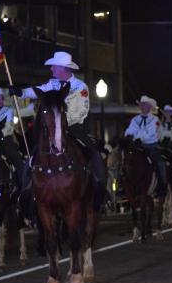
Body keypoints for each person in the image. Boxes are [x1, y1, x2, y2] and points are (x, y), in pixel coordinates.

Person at [9, 51, 106, 188]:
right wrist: (21, 92)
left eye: (53, 66)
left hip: (73, 128)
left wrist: (63, 121)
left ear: (62, 68)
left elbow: (82, 111)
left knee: (94, 152)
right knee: (34, 153)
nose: (51, 68)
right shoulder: (52, 84)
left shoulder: (80, 86)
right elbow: (38, 90)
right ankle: (27, 189)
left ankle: (100, 185)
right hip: (52, 127)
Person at [124, 95, 166, 197]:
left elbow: (150, 134)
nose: (142, 107)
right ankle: (124, 185)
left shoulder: (155, 120)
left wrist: (137, 134)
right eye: (141, 105)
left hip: (151, 146)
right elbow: (128, 131)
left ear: (149, 107)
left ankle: (162, 185)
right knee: (124, 161)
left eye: (145, 105)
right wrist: (134, 134)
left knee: (160, 162)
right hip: (137, 146)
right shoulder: (135, 119)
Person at [0, 87, 25, 190]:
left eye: (1, 98)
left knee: (18, 163)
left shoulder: (8, 111)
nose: (0, 101)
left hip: (5, 141)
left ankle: (23, 187)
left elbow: (9, 126)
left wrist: (0, 134)